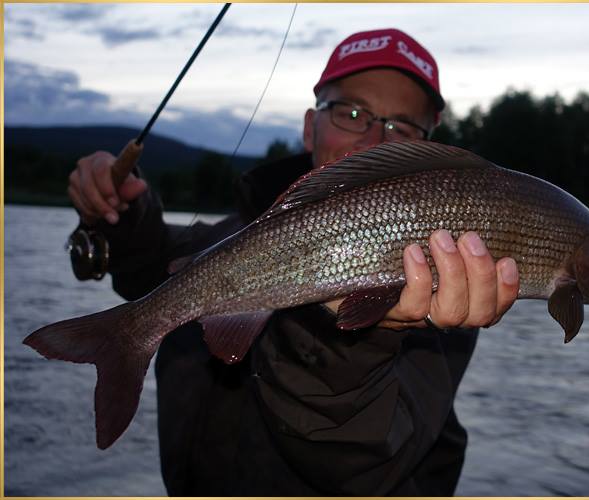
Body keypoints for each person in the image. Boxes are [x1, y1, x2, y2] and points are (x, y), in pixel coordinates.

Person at [67, 28, 519, 495]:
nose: (374, 139)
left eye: (401, 127)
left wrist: (359, 335)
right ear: (310, 125)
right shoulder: (231, 236)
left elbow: (365, 464)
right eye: (352, 112)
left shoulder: (446, 290)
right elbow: (154, 266)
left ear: (427, 147)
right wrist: (117, 214)